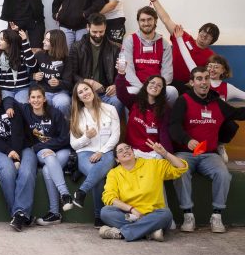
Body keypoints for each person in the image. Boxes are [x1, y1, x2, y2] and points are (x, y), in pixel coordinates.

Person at [169, 66, 245, 234]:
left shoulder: (217, 102)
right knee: (180, 172)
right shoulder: (183, 100)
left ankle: (217, 216)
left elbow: (238, 113)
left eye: (206, 78)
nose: (204, 82)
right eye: (199, 79)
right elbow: (173, 126)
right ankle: (188, 215)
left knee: (223, 174)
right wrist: (187, 140)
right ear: (192, 82)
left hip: (209, 154)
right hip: (185, 153)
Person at [99, 142, 189, 242]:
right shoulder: (114, 173)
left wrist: (165, 153)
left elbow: (181, 167)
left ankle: (121, 234)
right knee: (106, 212)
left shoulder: (153, 164)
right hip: (130, 216)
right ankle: (150, 232)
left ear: (133, 152)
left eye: (127, 148)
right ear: (117, 159)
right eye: (120, 151)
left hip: (153, 214)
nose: (125, 151)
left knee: (166, 214)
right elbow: (109, 197)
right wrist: (132, 209)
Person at [0, 83, 36, 231]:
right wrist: (9, 152)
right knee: (7, 172)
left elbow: (18, 132)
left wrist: (16, 156)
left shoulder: (10, 106)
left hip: (22, 147)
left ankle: (18, 214)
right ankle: (20, 214)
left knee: (27, 172)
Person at [19, 86, 73, 225]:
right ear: (28, 99)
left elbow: (65, 139)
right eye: (33, 97)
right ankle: (65, 194)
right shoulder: (25, 110)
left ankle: (55, 213)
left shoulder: (55, 113)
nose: (36, 100)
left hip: (61, 149)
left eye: (39, 97)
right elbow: (8, 100)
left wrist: (49, 147)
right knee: (48, 157)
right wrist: (42, 148)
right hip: (42, 152)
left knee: (47, 169)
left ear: (44, 99)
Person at [69, 81, 120, 226]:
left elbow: (115, 135)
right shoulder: (77, 115)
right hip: (85, 153)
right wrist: (86, 137)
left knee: (100, 169)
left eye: (86, 89)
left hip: (106, 151)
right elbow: (74, 144)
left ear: (92, 90)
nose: (85, 93)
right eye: (80, 92)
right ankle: (99, 216)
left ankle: (82, 192)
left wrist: (101, 152)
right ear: (78, 98)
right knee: (97, 174)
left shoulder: (110, 109)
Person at [147, 0, 218, 88]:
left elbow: (208, 78)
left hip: (189, 87)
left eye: (209, 34)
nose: (205, 35)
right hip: (166, 81)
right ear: (199, 31)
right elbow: (166, 20)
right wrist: (154, 0)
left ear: (213, 40)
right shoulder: (182, 36)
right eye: (204, 31)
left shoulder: (211, 56)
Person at [64, 12, 123, 113]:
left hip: (106, 93)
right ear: (88, 27)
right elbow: (71, 74)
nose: (98, 35)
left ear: (105, 28)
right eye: (94, 32)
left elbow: (120, 73)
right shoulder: (76, 47)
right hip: (84, 92)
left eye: (101, 31)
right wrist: (88, 82)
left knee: (117, 101)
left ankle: (111, 124)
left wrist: (115, 85)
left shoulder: (115, 48)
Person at [121, 6, 178, 105]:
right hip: (136, 86)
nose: (146, 23)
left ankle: (164, 115)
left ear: (155, 20)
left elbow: (167, 73)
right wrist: (143, 89)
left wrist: (156, 88)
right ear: (138, 22)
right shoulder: (130, 40)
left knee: (172, 91)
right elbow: (128, 70)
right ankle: (133, 116)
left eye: (149, 19)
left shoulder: (164, 43)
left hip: (157, 86)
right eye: (142, 20)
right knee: (130, 92)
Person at [115, 65, 173, 156]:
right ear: (146, 85)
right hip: (133, 152)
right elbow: (121, 93)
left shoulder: (165, 109)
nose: (155, 86)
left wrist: (168, 155)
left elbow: (164, 134)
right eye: (152, 83)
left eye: (159, 85)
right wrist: (121, 74)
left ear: (162, 90)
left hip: (153, 153)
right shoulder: (134, 101)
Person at [0, 28, 37, 104]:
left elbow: (32, 64)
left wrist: (25, 42)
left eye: (1, 39)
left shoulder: (21, 54)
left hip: (22, 88)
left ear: (10, 42)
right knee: (7, 106)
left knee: (21, 105)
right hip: (4, 89)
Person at [33, 29, 72, 116]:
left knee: (63, 103)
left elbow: (69, 83)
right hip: (43, 91)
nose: (43, 42)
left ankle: (64, 124)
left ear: (56, 43)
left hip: (60, 92)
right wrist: (34, 76)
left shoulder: (66, 60)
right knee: (38, 102)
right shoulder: (39, 55)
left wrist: (59, 82)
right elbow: (30, 73)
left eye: (47, 40)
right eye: (44, 39)